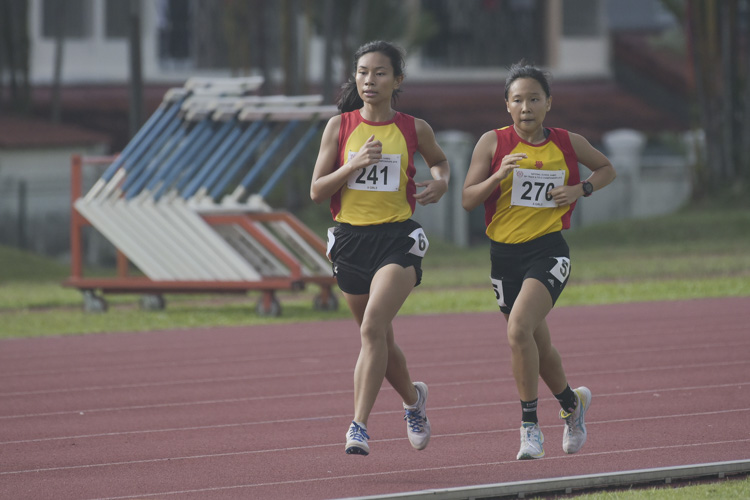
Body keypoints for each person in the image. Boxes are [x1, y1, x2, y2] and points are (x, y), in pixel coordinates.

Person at [461, 62, 616, 460]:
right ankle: (572, 404)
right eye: (518, 100)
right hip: (503, 257)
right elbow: (467, 199)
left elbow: (606, 169)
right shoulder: (492, 143)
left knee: (517, 331)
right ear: (507, 106)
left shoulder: (567, 141)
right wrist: (498, 176)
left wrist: (579, 189)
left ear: (548, 103)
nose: (526, 107)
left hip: (548, 251)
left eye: (534, 99)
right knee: (537, 346)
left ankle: (529, 428)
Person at [310, 40, 450, 456]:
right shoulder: (339, 127)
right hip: (351, 241)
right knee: (380, 339)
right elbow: (317, 191)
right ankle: (413, 400)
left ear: (397, 80)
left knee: (372, 328)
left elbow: (439, 162)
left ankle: (359, 426)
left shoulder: (413, 128)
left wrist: (440, 182)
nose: (370, 80)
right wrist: (352, 165)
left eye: (380, 73)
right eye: (363, 72)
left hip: (397, 239)